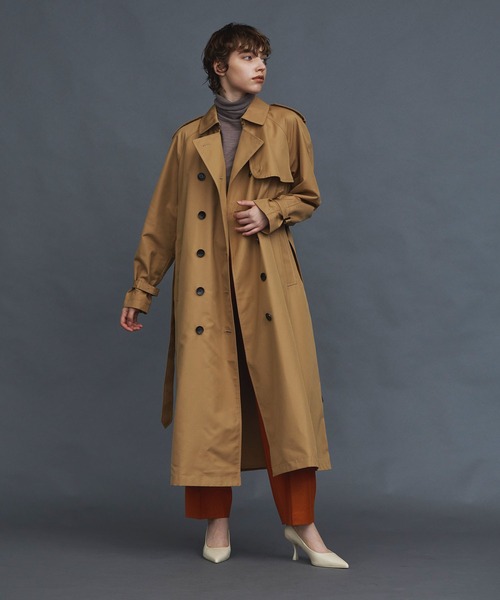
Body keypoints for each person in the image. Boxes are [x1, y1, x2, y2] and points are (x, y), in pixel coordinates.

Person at [120, 23, 348, 568]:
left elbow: (308, 195)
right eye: (248, 56)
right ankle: (216, 524)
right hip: (206, 291)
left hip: (268, 285)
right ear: (220, 67)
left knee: (287, 407)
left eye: (263, 56)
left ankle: (302, 526)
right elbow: (163, 219)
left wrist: (270, 212)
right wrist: (142, 288)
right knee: (207, 408)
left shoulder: (287, 124)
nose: (260, 65)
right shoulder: (187, 139)